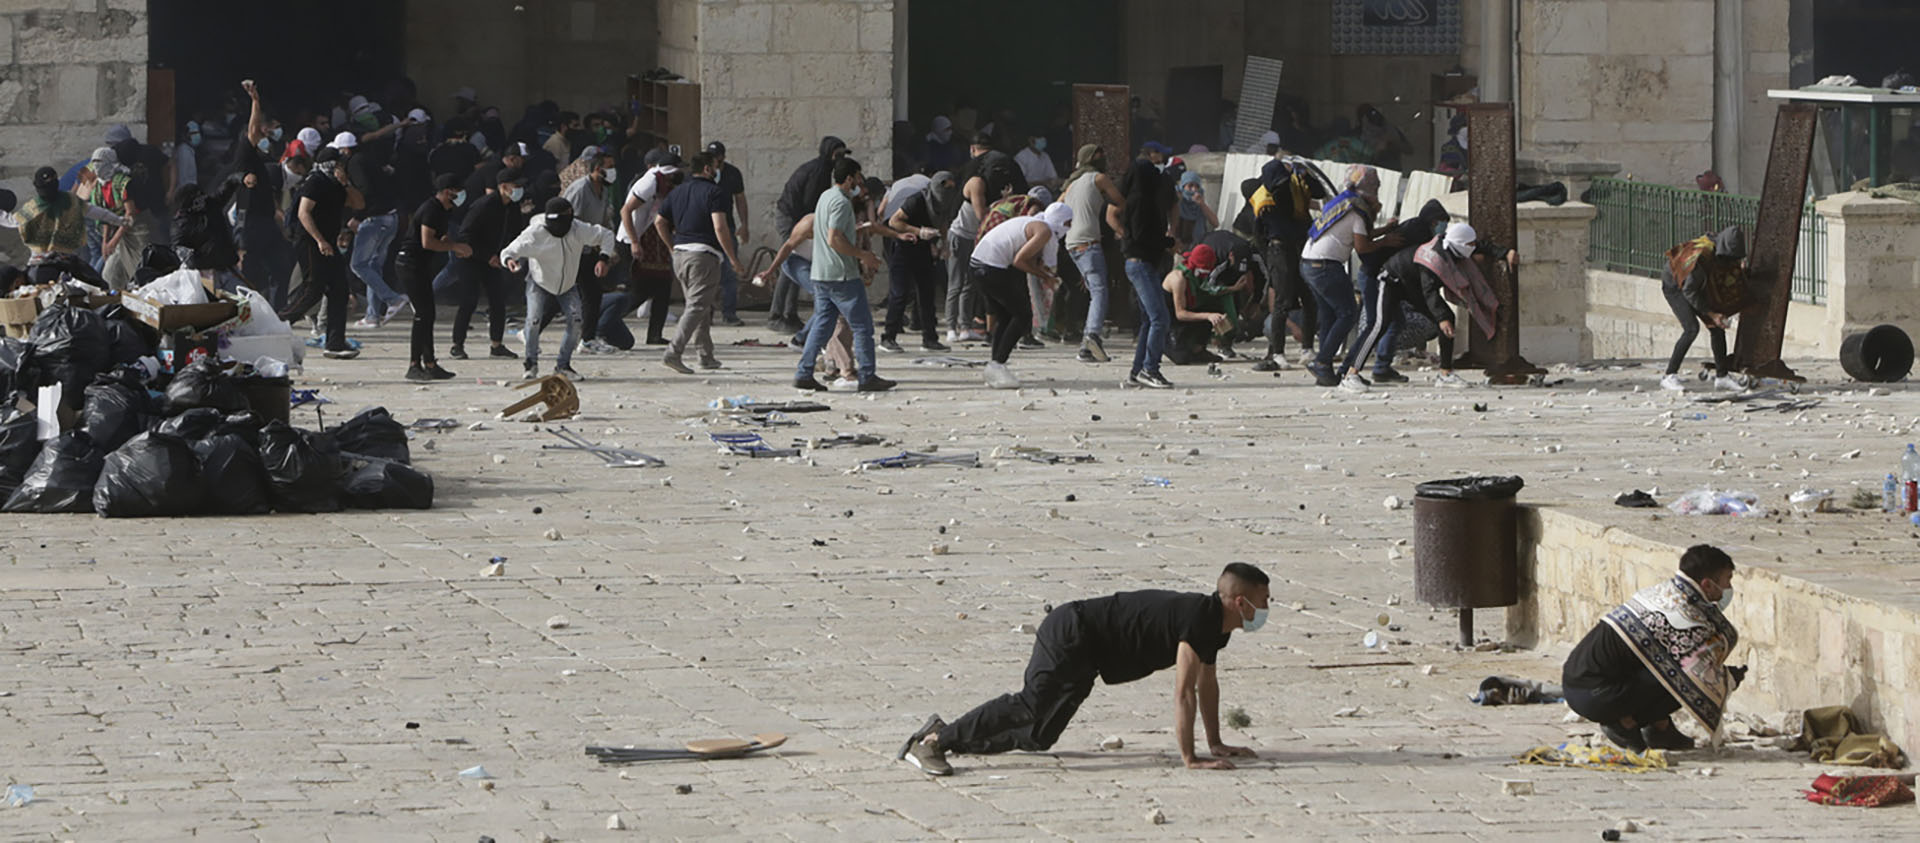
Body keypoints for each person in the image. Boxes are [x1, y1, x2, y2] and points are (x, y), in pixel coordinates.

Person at [897, 563, 1272, 777]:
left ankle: (946, 734)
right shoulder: (1200, 619)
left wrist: (1216, 742)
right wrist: (1190, 758)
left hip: (1088, 653)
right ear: (1240, 603)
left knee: (1040, 736)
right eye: (1263, 601)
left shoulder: (1215, 629)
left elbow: (1208, 685)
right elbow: (1184, 692)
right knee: (1029, 705)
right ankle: (931, 744)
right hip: (1073, 632)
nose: (1268, 607)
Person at [1562, 545, 1745, 754]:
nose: (1728, 587)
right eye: (1727, 580)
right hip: (1594, 695)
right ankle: (1624, 724)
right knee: (1688, 677)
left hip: (1576, 683)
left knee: (1667, 664)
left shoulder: (1663, 593)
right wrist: (1728, 680)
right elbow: (1697, 675)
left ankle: (1660, 727)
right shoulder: (1683, 617)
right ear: (1707, 585)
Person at [1351, 222, 1505, 389]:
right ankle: (1351, 375)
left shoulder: (1452, 246)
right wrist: (1440, 318)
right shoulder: (1434, 258)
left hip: (1412, 286)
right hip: (1391, 282)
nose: (1472, 247)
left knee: (1448, 319)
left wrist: (1505, 253)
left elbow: (1478, 246)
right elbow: (1429, 291)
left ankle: (1445, 373)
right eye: (1469, 244)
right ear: (1460, 244)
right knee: (1379, 326)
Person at [790, 157, 896, 393]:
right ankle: (868, 376)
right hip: (841, 275)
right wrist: (863, 255)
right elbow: (834, 238)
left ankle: (803, 373)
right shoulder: (840, 202)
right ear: (849, 179)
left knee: (822, 325)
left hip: (821, 273)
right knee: (862, 327)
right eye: (858, 177)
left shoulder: (825, 197)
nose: (860, 182)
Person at [1298, 165, 1402, 390]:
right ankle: (1323, 362)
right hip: (1326, 265)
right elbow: (1362, 247)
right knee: (1347, 313)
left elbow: (1357, 234)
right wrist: (1385, 241)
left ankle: (1324, 370)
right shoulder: (1359, 209)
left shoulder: (1343, 201)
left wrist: (1384, 230)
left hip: (1308, 262)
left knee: (1329, 315)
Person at [652, 151, 747, 375]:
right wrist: (733, 259)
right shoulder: (716, 193)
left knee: (701, 305)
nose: (717, 170)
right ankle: (673, 353)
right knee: (697, 306)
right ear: (707, 169)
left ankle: (705, 355)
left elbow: (659, 222)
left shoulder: (677, 192)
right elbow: (720, 227)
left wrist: (671, 246)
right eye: (715, 166)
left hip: (681, 255)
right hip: (703, 256)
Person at [501, 197, 617, 380]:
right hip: (539, 281)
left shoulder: (578, 228)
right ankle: (530, 363)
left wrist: (603, 258)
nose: (559, 231)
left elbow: (606, 235)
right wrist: (510, 261)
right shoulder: (535, 233)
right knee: (533, 320)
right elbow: (509, 251)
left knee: (576, 321)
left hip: (568, 284)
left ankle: (563, 365)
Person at [1343, 199, 1451, 385]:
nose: (1442, 227)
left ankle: (1381, 368)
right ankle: (1349, 370)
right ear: (1432, 221)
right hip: (1376, 276)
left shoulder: (1419, 228)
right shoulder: (1417, 232)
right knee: (1376, 324)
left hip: (1387, 278)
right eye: (1439, 222)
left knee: (1394, 321)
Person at [969, 201, 1072, 390]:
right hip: (991, 268)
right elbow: (1019, 261)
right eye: (1068, 223)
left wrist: (1044, 272)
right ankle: (998, 364)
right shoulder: (1045, 230)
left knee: (1006, 316)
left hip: (978, 264)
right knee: (1024, 316)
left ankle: (995, 366)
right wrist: (1045, 277)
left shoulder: (1035, 223)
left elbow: (1025, 255)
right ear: (1061, 220)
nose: (1069, 228)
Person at [757, 212, 857, 386]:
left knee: (828, 308)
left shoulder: (843, 223)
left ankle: (808, 345)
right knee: (828, 302)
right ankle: (812, 350)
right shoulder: (809, 222)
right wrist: (771, 270)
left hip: (819, 265)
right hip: (797, 262)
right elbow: (787, 247)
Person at [1250, 152, 1328, 372]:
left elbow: (1320, 192)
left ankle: (1307, 349)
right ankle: (1278, 353)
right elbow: (1259, 234)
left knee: (1309, 298)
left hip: (1301, 248)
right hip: (1280, 251)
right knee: (1283, 302)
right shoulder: (1264, 199)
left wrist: (1306, 174)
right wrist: (1269, 256)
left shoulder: (1297, 187)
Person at [388, 174, 467, 381]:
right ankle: (414, 364)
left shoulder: (443, 211)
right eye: (457, 191)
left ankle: (430, 363)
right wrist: (454, 246)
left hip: (421, 266)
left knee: (428, 314)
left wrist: (450, 242)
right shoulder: (432, 208)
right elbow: (427, 242)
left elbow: (439, 236)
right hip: (409, 265)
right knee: (422, 315)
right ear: (448, 191)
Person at [771, 136, 851, 332]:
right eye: (838, 154)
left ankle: (790, 314)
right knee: (790, 262)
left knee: (797, 261)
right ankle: (777, 315)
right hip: (791, 217)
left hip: (799, 217)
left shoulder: (824, 170)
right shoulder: (818, 172)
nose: (840, 158)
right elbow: (809, 205)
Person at [448, 168, 526, 361]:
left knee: (498, 301)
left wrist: (510, 254)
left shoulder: (512, 207)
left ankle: (496, 345)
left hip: (495, 259)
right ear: (504, 187)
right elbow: (466, 235)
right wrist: (486, 256)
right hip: (471, 258)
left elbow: (515, 233)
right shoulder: (484, 205)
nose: (519, 190)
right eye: (516, 186)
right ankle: (457, 344)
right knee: (469, 300)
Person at [1059, 145, 1127, 364]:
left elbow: (1057, 208)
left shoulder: (1070, 185)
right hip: (1088, 242)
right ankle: (1091, 338)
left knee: (1094, 290)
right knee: (1100, 292)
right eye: (1100, 156)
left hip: (1072, 243)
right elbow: (1120, 201)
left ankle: (1087, 346)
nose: (1103, 159)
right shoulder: (1098, 178)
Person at [1659, 226, 1749, 392]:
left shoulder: (1718, 249)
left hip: (1694, 286)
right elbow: (1689, 291)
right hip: (1676, 286)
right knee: (1691, 328)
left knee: (1716, 328)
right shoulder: (1700, 260)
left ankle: (1722, 377)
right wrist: (1711, 313)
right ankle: (1669, 375)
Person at [1119, 141, 1177, 389]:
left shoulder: (1135, 198)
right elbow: (1143, 235)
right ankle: (1150, 368)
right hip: (1141, 262)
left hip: (1142, 262)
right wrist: (1167, 242)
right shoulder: (1142, 201)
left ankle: (1137, 371)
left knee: (1148, 320)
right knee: (1160, 318)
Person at [880, 171, 958, 354]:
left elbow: (943, 223)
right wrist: (919, 231)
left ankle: (930, 338)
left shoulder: (944, 202)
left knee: (926, 294)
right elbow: (894, 221)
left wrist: (943, 244)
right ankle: (888, 337)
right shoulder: (917, 200)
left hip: (923, 249)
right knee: (900, 293)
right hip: (903, 248)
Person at [293, 147, 358, 359]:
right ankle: (277, 323)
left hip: (329, 243)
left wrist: (346, 183)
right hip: (311, 243)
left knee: (339, 289)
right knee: (312, 290)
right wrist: (319, 240)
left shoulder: (336, 185)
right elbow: (304, 213)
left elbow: (358, 203)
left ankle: (335, 343)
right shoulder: (315, 182)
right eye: (338, 164)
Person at [616, 150, 683, 346]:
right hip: (635, 239)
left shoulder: (667, 184)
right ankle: (606, 319)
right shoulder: (649, 183)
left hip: (655, 239)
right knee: (640, 290)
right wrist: (635, 242)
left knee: (663, 288)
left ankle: (655, 335)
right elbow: (625, 210)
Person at [14, 166, 124, 286]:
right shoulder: (65, 201)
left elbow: (12, 220)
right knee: (96, 283)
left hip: (52, 263)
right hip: (58, 263)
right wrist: (119, 220)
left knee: (94, 281)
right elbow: (95, 211)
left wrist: (118, 220)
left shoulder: (34, 207)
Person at [560, 147, 621, 352]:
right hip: (574, 249)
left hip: (589, 250)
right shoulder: (580, 189)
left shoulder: (602, 189)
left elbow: (603, 220)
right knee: (565, 294)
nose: (613, 171)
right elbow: (571, 221)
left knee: (592, 294)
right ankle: (533, 328)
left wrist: (605, 249)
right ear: (596, 169)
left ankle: (587, 338)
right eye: (609, 167)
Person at [348, 125, 407, 327]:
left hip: (375, 220)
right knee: (374, 266)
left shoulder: (355, 163)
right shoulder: (369, 160)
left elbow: (364, 190)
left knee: (358, 265)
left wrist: (357, 216)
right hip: (391, 217)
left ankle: (393, 298)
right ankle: (372, 316)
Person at [702, 141, 751, 327]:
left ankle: (729, 313)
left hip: (726, 227)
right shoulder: (701, 174)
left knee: (729, 272)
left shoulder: (732, 174)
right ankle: (706, 313)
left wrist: (744, 225)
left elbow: (740, 199)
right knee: (706, 274)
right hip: (704, 229)